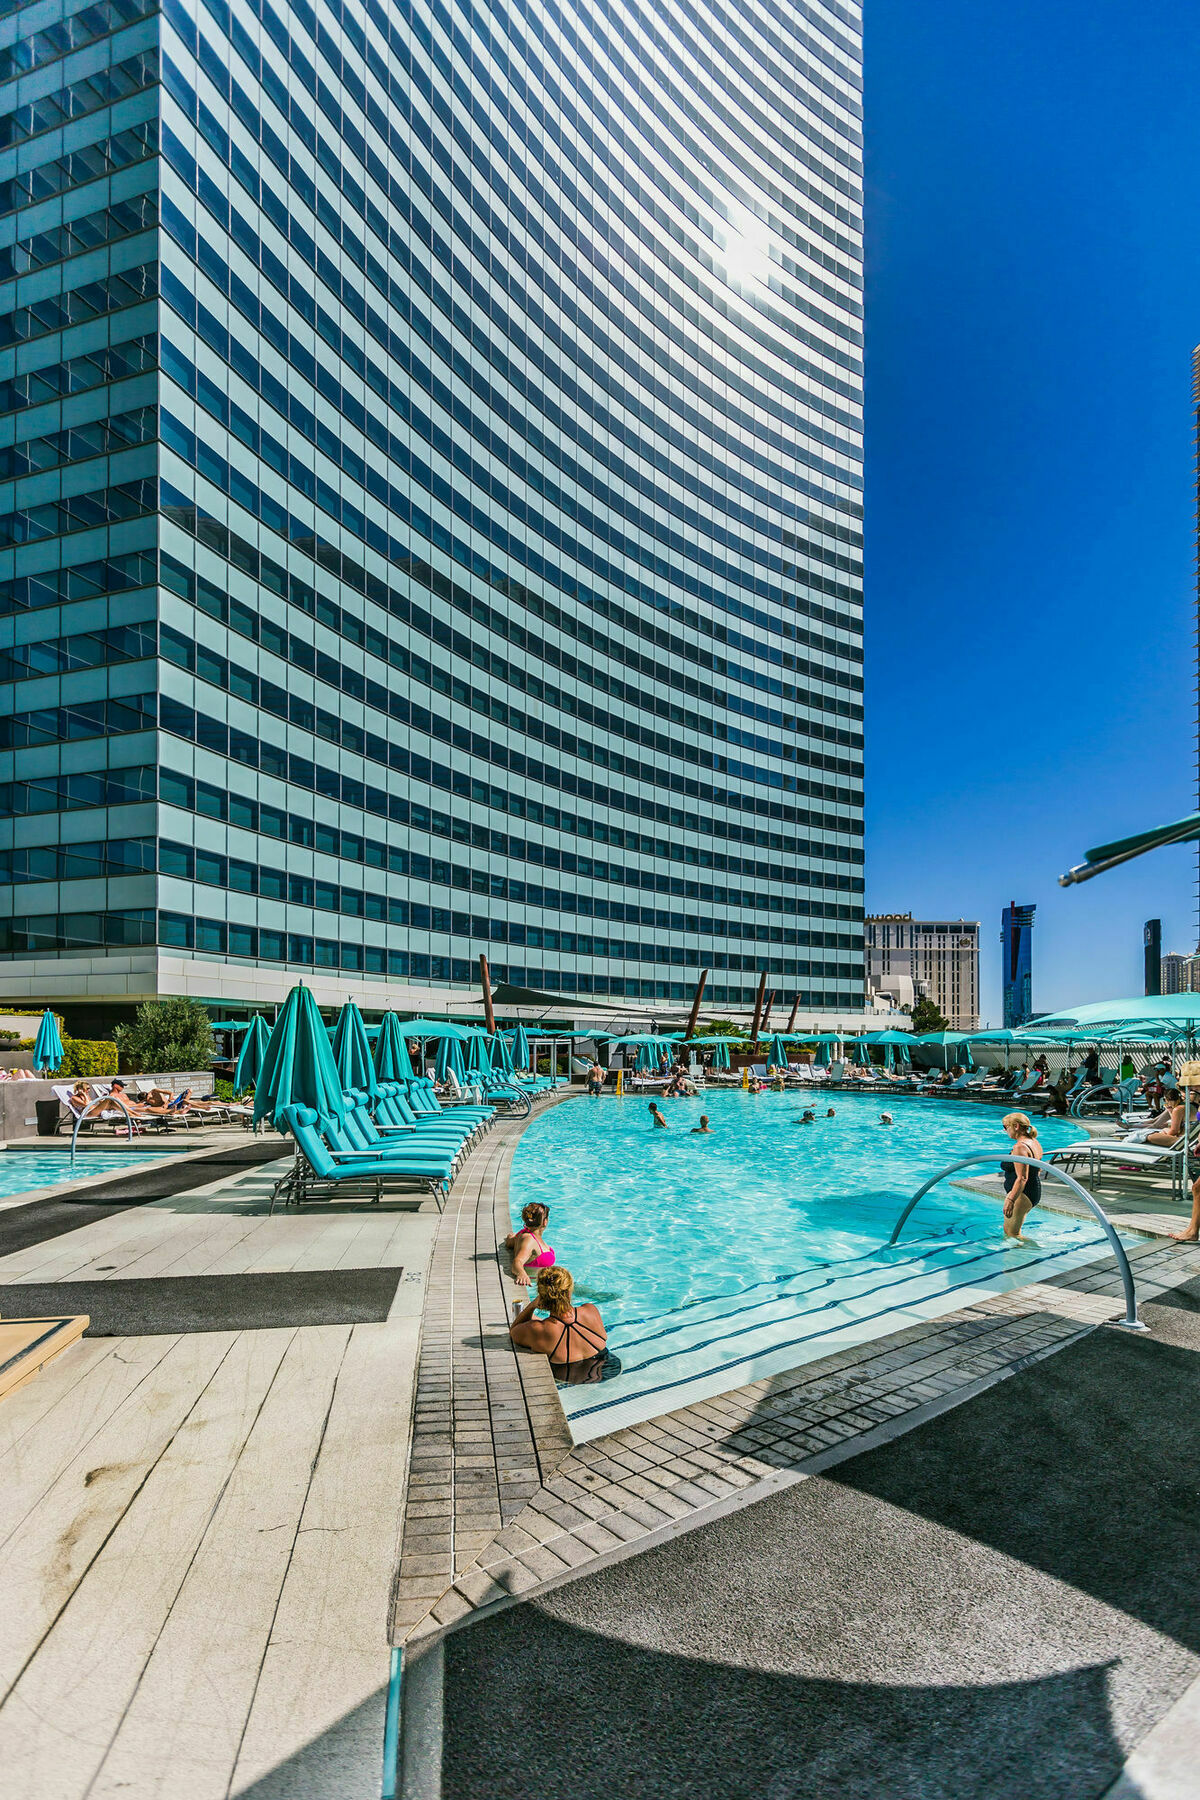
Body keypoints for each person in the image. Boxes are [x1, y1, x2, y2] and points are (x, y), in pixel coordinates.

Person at [510, 1266, 608, 1377]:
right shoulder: (590, 1310)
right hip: (606, 1366)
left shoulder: (539, 1329)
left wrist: (532, 1305)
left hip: (568, 1375)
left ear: (541, 1295)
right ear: (569, 1291)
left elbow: (514, 1331)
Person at [1000, 1111, 1042, 1242]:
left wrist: (1011, 1199)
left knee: (1013, 1234)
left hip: (1021, 1194)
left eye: (1006, 1127)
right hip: (1031, 1190)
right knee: (1009, 1231)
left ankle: (1036, 1253)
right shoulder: (1033, 1141)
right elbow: (1038, 1169)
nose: (1005, 1131)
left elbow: (1022, 1178)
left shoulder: (1020, 1147)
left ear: (1016, 1126)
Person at [504, 1202, 555, 1287]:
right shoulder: (529, 1240)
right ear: (545, 1222)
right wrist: (522, 1273)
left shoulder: (523, 1234)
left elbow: (510, 1242)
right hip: (538, 1286)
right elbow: (517, 1261)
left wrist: (510, 1237)